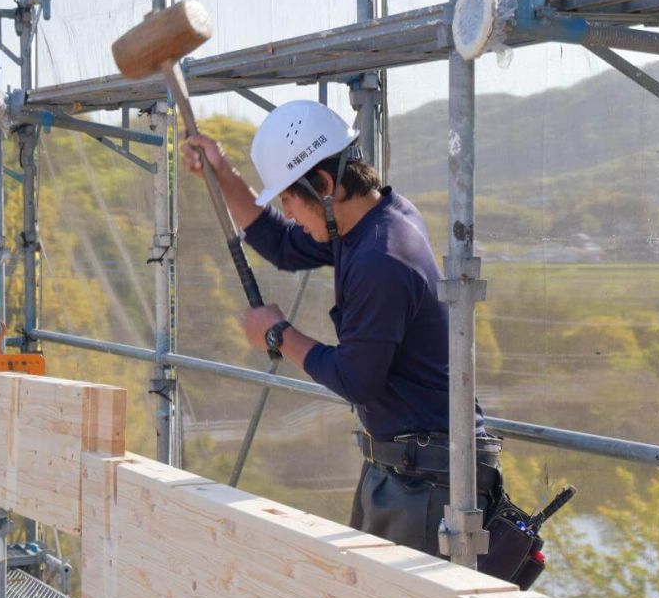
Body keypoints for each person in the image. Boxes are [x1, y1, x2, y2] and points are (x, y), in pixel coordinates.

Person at [183, 100, 503, 564]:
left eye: (290, 199)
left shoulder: (380, 257)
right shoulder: (369, 222)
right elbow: (281, 246)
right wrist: (222, 172)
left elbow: (357, 379)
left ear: (325, 184)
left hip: (431, 479)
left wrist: (278, 335)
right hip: (411, 467)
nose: (289, 214)